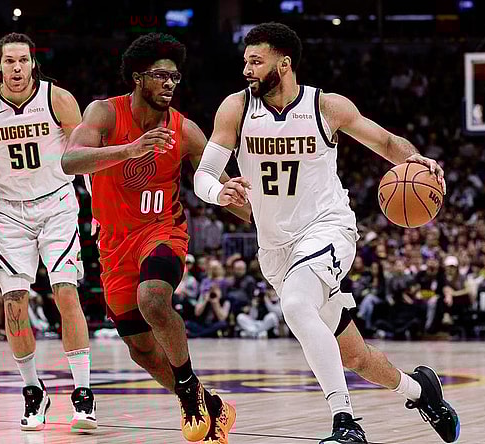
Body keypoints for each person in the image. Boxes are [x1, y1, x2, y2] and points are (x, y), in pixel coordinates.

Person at [193, 23, 460, 443]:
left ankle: (345, 423)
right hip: (275, 248)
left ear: (284, 64)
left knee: (297, 306)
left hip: (328, 228)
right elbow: (203, 175)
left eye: (255, 61)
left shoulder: (326, 107)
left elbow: (388, 143)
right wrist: (218, 191)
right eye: (245, 60)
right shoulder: (236, 109)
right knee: (355, 355)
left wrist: (418, 159)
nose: (247, 69)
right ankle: (421, 390)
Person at [63, 33, 250, 444]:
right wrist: (127, 150)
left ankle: (187, 391)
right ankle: (210, 404)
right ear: (137, 77)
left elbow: (225, 187)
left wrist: (266, 220)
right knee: (140, 350)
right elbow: (70, 160)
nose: (169, 83)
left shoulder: (186, 131)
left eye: (175, 77)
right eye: (160, 76)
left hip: (162, 231)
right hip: (113, 243)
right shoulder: (105, 114)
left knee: (153, 299)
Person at [0, 33, 95, 432]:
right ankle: (33, 390)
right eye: (9, 61)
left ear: (32, 63)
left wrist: (100, 206)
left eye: (23, 60)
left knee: (65, 290)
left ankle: (82, 390)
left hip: (57, 202)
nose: (16, 68)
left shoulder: (57, 99)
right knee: (13, 301)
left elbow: (84, 156)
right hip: (9, 212)